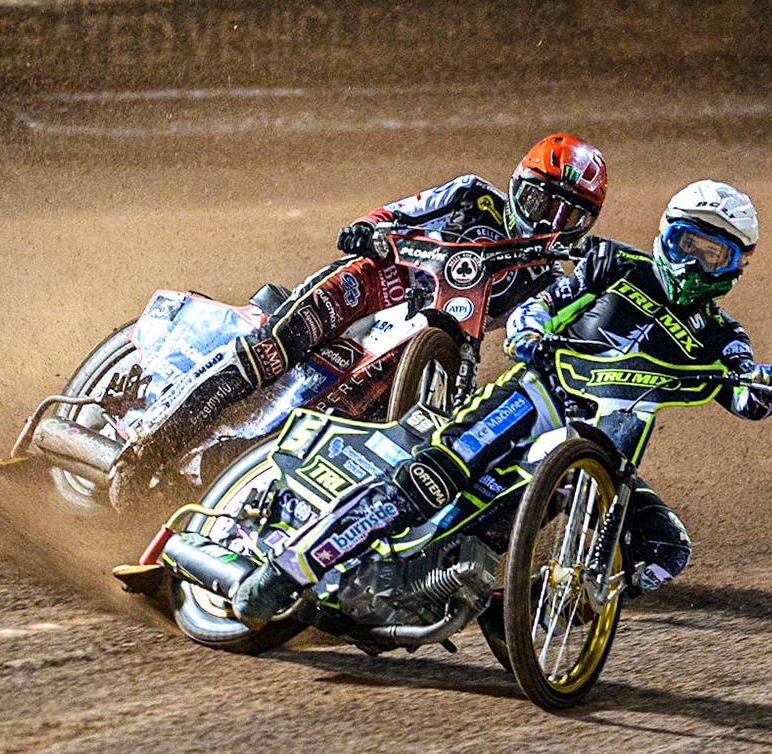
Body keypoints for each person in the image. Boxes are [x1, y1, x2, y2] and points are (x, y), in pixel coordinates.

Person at [232, 179, 772, 628]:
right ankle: (293, 566)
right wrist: (530, 332)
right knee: (433, 476)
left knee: (666, 547)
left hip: (600, 442)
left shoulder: (726, 334)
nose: (692, 264)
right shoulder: (612, 264)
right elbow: (542, 305)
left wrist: (762, 388)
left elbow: (746, 390)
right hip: (536, 395)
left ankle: (507, 603)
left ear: (735, 267)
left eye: (711, 254)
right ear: (665, 236)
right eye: (685, 245)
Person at [111, 133, 608, 506]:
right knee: (274, 349)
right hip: (372, 284)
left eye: (570, 218)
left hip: (415, 342)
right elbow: (398, 212)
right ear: (519, 185)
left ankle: (232, 486)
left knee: (344, 421)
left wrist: (538, 339)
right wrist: (367, 230)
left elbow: (530, 324)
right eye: (542, 203)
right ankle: (145, 449)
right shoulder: (470, 195)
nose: (549, 224)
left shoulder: (545, 277)